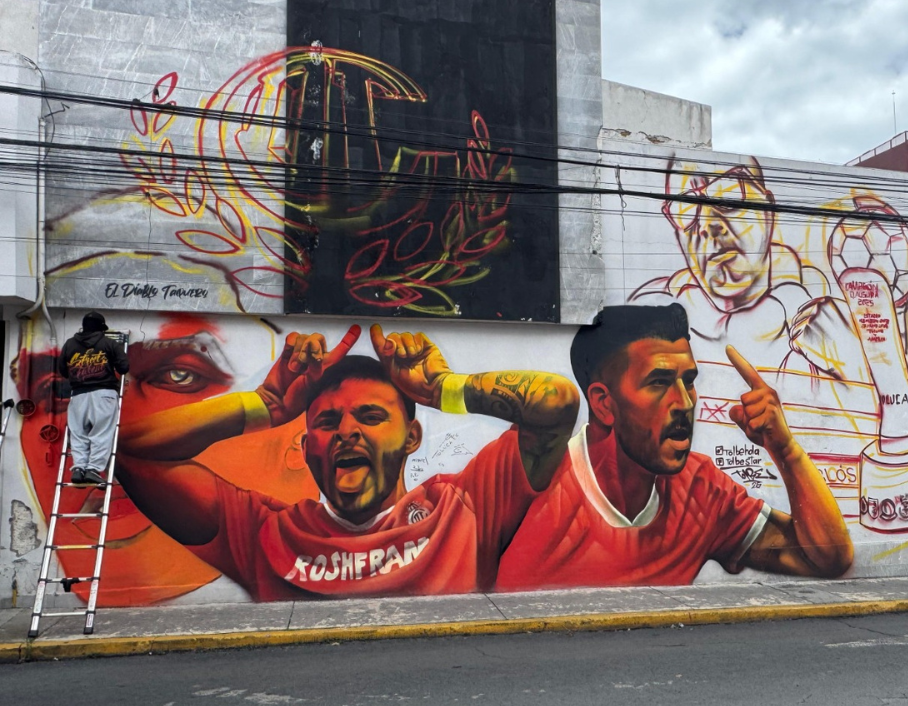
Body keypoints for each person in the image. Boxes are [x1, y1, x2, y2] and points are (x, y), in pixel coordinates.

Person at [114, 324, 578, 600]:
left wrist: (443, 389)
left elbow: (553, 402)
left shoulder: (463, 507)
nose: (348, 432)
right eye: (329, 421)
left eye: (371, 416)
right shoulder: (264, 530)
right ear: (306, 445)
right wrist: (266, 403)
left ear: (412, 436)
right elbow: (132, 450)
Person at [495, 304, 853, 590]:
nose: (684, 402)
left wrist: (786, 450)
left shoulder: (701, 492)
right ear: (604, 404)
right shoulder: (532, 480)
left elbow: (827, 558)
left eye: (689, 381)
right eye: (660, 382)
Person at [630, 156, 861, 378]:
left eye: (728, 195)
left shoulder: (828, 315)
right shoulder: (650, 312)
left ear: (769, 211)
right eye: (685, 210)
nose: (708, 225)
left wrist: (852, 365)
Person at [59, 311, 130, 486]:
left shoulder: (69, 344)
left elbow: (62, 370)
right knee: (101, 432)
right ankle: (92, 469)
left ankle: (79, 468)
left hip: (78, 395)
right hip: (104, 393)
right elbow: (124, 367)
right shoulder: (108, 343)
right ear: (101, 328)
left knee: (78, 433)